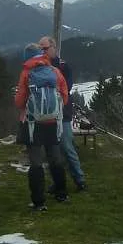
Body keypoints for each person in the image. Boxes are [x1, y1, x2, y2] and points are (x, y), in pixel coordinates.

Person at [15, 42, 69, 211]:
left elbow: (19, 101)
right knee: (55, 157)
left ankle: (39, 202)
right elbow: (64, 96)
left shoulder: (26, 73)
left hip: (33, 123)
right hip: (53, 122)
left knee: (36, 162)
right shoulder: (55, 71)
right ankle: (61, 193)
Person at [38, 35, 87, 192]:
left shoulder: (63, 67)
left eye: (45, 48)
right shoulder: (39, 67)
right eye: (40, 49)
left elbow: (67, 87)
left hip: (62, 113)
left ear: (53, 48)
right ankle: (57, 182)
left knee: (67, 147)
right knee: (52, 151)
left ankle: (79, 180)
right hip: (45, 115)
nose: (42, 52)